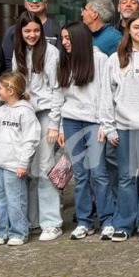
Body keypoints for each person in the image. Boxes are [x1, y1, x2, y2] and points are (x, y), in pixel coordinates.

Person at [101, 14, 139, 242]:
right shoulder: (115, 59)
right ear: (129, 29)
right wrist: (109, 127)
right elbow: (106, 96)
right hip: (123, 126)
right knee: (125, 177)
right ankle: (124, 223)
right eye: (137, 27)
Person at [55, 22, 111, 240]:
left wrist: (105, 125)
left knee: (99, 173)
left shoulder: (100, 59)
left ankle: (107, 220)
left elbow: (106, 95)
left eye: (69, 38)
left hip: (94, 122)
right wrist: (60, 126)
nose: (65, 42)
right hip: (70, 121)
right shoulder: (64, 61)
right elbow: (59, 97)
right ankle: (84, 221)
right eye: (63, 38)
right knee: (80, 174)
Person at [11, 12, 63, 240]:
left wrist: (54, 123)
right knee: (29, 170)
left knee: (45, 168)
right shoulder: (18, 53)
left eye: (35, 30)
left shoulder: (51, 53)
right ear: (20, 33)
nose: (32, 35)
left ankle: (51, 222)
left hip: (45, 116)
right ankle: (33, 220)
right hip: (25, 116)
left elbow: (57, 89)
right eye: (27, 31)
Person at [0, 71, 39, 246]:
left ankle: (19, 231)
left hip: (14, 165)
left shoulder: (25, 112)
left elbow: (30, 139)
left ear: (11, 90)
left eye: (0, 88)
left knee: (16, 199)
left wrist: (24, 163)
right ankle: (1, 231)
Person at [1, 0, 62, 74]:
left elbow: (62, 59)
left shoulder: (56, 28)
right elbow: (7, 61)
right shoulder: (12, 31)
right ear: (25, 4)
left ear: (46, 4)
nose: (34, 1)